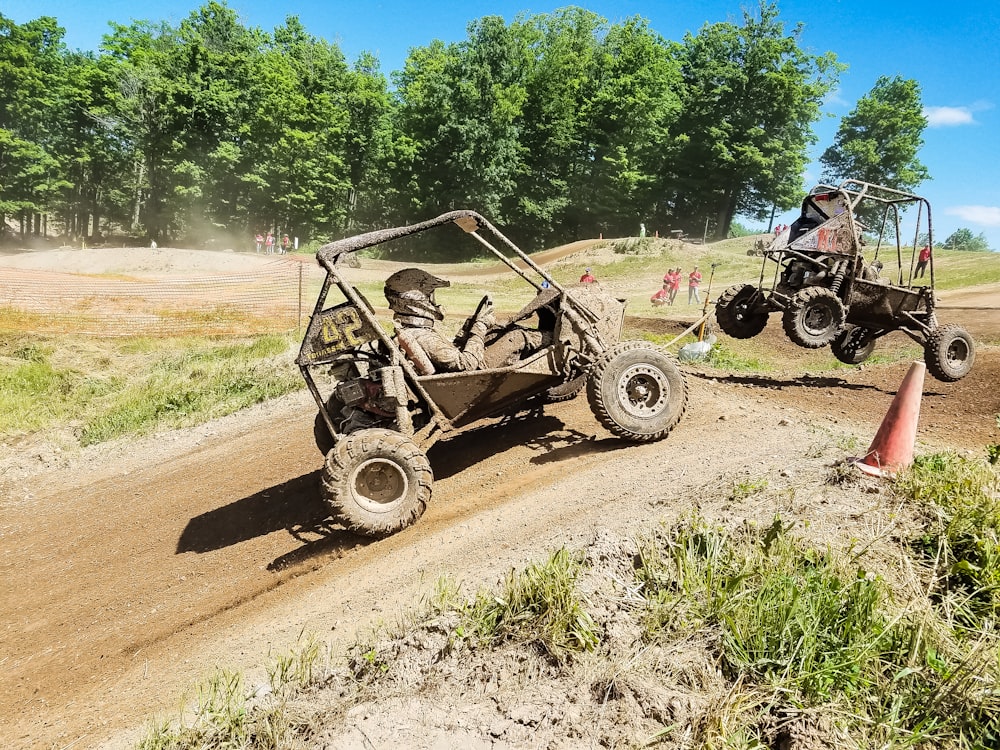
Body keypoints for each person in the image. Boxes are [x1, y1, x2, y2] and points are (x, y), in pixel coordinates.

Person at [385, 269, 548, 373]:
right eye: (430, 297)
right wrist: (480, 326)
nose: (434, 302)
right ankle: (552, 339)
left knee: (493, 329)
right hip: (475, 375)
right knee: (518, 336)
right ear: (416, 302)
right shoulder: (422, 336)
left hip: (462, 373)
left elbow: (449, 352)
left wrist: (469, 328)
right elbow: (466, 365)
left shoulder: (411, 329)